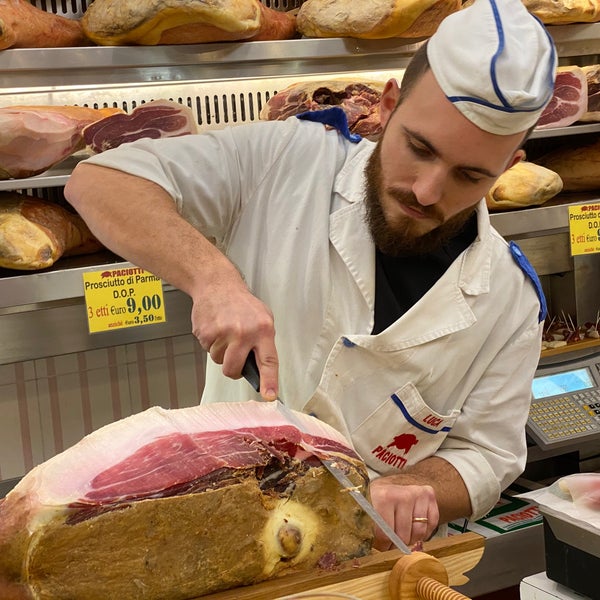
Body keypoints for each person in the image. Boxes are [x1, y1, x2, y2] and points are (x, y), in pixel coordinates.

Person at [65, 0, 557, 550]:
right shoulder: (287, 160)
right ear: (388, 107)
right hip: (222, 532)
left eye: (469, 176)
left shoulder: (509, 299)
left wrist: (421, 483)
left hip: (372, 561)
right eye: (418, 148)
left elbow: (488, 453)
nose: (426, 191)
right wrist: (214, 279)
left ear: (507, 167)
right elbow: (100, 182)